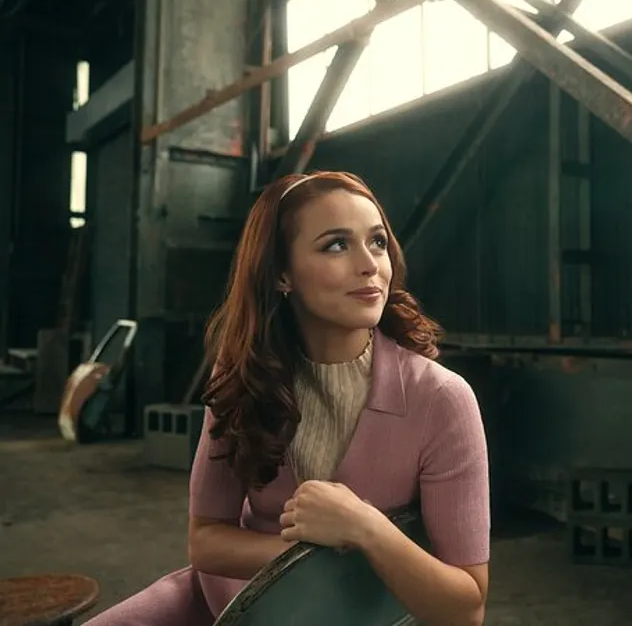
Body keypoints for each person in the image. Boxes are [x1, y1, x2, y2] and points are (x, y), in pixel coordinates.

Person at [83, 171, 491, 626]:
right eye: (336, 244)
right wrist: (309, 563)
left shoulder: (442, 399)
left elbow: (466, 607)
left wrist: (365, 526)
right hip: (235, 600)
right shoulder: (243, 376)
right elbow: (206, 541)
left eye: (377, 242)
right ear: (281, 273)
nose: (369, 264)